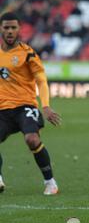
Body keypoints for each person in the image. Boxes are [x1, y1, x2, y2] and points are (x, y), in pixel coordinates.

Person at [0, 12, 61, 195]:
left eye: (13, 27)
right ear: (1, 29)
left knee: (32, 139)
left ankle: (51, 183)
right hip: (2, 109)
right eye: (6, 27)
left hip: (25, 106)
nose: (10, 31)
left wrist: (46, 106)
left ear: (19, 29)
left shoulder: (28, 54)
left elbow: (41, 80)